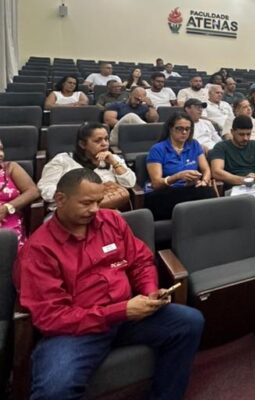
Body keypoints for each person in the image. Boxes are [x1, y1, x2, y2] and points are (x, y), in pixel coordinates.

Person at [14, 168, 204, 399]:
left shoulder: (111, 220)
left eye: (98, 201)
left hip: (129, 315)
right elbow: (51, 317)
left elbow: (141, 262)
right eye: (86, 203)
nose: (95, 209)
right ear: (60, 199)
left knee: (189, 322)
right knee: (54, 389)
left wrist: (150, 292)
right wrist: (120, 311)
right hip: (76, 330)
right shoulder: (39, 249)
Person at [37, 122, 135, 204]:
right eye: (98, 141)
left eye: (106, 139)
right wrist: (82, 194)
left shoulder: (112, 159)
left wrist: (114, 162)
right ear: (82, 144)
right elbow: (46, 189)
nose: (105, 144)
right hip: (74, 212)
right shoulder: (62, 160)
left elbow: (130, 183)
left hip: (110, 209)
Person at [145, 112, 214, 220]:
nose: (184, 132)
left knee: (208, 192)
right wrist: (177, 177)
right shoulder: (158, 149)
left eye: (187, 129)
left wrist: (204, 181)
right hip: (166, 191)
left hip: (190, 188)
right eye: (179, 128)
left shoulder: (194, 144)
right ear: (170, 129)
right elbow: (156, 183)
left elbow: (206, 169)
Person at [209, 115, 255, 199]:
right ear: (232, 132)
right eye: (241, 134)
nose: (245, 138)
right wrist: (244, 180)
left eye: (248, 134)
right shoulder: (221, 147)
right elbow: (216, 172)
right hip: (234, 188)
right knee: (254, 198)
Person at [0, 138, 40, 248]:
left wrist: (7, 208)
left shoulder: (10, 168)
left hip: (10, 224)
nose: (1, 154)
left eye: (2, 149)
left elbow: (33, 191)